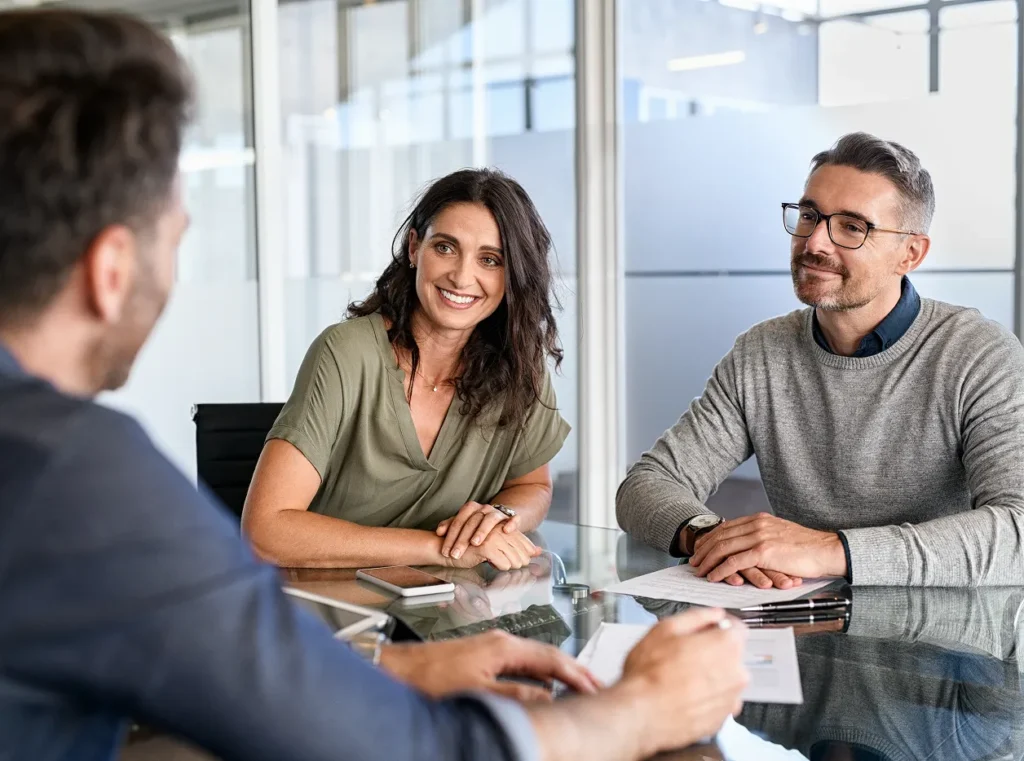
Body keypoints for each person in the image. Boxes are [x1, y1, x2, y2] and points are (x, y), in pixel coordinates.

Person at [0, 9, 749, 761]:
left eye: (491, 259)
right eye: (177, 237)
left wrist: (400, 664)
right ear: (112, 269)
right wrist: (638, 708)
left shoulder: (49, 467)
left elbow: (231, 672)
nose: (464, 274)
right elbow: (397, 741)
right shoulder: (78, 477)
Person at [617, 132, 1024, 589]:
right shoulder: (760, 353)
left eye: (852, 227)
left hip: (946, 628)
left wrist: (831, 550)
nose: (814, 243)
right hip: (797, 618)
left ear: (910, 254)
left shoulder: (978, 354)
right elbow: (647, 484)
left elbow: (1017, 531)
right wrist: (713, 538)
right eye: (810, 216)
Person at [243, 169, 570, 570]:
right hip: (327, 600)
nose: (462, 276)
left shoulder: (519, 365)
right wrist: (439, 549)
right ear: (414, 248)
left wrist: (499, 518)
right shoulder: (346, 353)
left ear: (512, 274)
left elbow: (532, 484)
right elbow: (265, 531)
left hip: (450, 602)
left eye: (490, 260)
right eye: (445, 248)